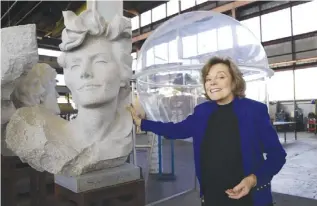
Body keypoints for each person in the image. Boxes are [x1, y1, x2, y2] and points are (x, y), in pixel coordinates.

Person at [127, 56, 287, 206]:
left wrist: (253, 180)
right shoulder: (202, 112)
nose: (212, 83)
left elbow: (277, 156)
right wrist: (143, 123)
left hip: (249, 198)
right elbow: (175, 130)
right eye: (208, 79)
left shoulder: (254, 111)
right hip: (212, 197)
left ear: (234, 82)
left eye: (221, 77)